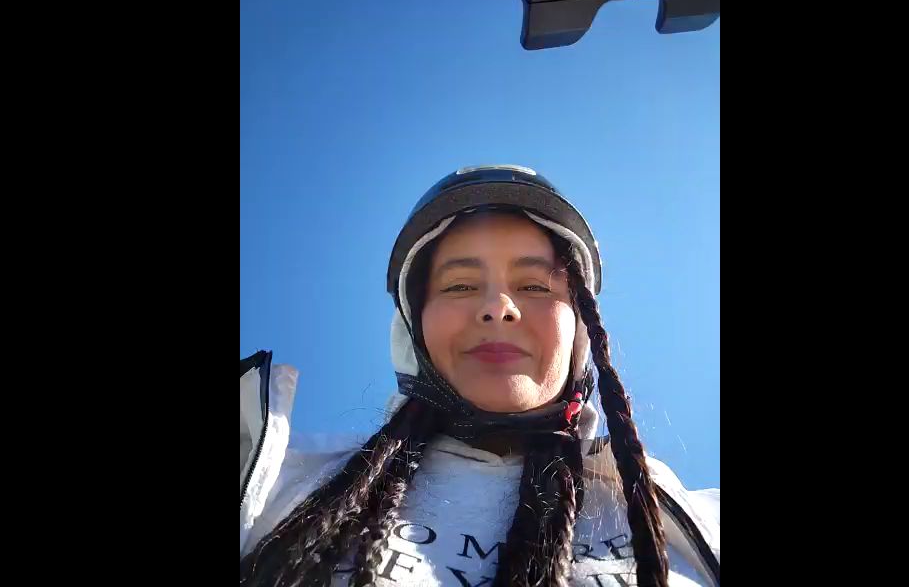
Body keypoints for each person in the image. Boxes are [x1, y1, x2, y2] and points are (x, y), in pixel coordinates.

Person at [239, 165, 720, 587]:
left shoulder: (701, 521)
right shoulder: (273, 480)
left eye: (534, 285)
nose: (497, 307)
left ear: (581, 332)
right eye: (460, 285)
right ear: (414, 332)